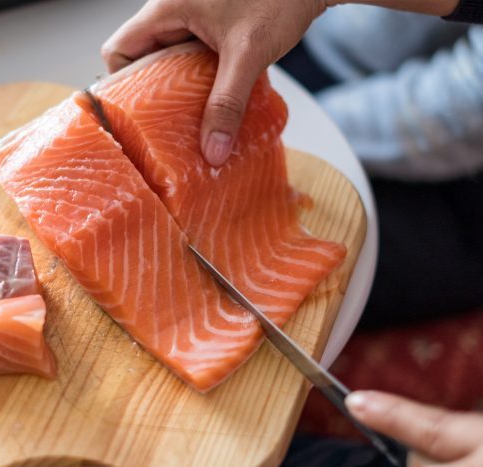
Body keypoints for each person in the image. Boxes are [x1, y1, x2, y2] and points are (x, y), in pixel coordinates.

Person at [102, 0, 483, 465]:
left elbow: (462, 105)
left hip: (459, 172)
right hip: (336, 33)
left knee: (259, 305)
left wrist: (276, 131)